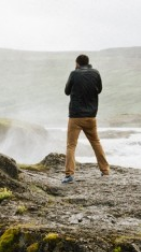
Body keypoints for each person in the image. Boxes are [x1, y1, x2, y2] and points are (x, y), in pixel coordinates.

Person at [62, 54, 110, 183]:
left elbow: (66, 91)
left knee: (71, 145)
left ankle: (69, 175)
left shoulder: (74, 74)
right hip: (91, 116)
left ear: (77, 63)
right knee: (96, 143)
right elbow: (99, 90)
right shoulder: (96, 73)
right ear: (88, 63)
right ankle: (105, 171)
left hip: (75, 117)